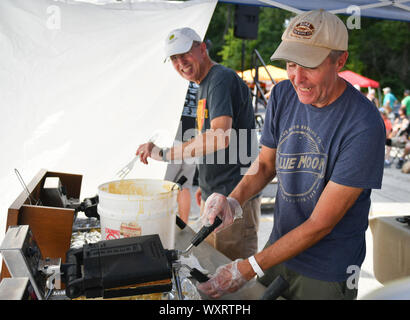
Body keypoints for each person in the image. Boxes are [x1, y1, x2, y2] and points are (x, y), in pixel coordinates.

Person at [197, 10, 385, 300]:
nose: (298, 77)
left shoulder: (364, 123)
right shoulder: (284, 94)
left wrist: (247, 269)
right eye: (291, 63)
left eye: (309, 65)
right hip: (279, 247)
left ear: (340, 60)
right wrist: (233, 200)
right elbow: (265, 164)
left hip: (328, 267)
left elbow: (321, 223)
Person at [136, 27, 261, 260]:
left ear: (203, 49)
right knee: (214, 271)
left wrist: (163, 154)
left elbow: (218, 137)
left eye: (184, 54)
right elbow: (210, 140)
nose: (181, 63)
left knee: (230, 279)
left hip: (235, 198)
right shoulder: (204, 84)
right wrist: (205, 185)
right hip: (217, 195)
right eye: (174, 59)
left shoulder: (219, 79)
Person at [164, 81, 199, 223]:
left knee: (165, 186)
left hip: (174, 137)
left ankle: (163, 226)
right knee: (185, 186)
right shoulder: (199, 84)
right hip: (193, 138)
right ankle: (183, 226)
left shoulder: (173, 81)